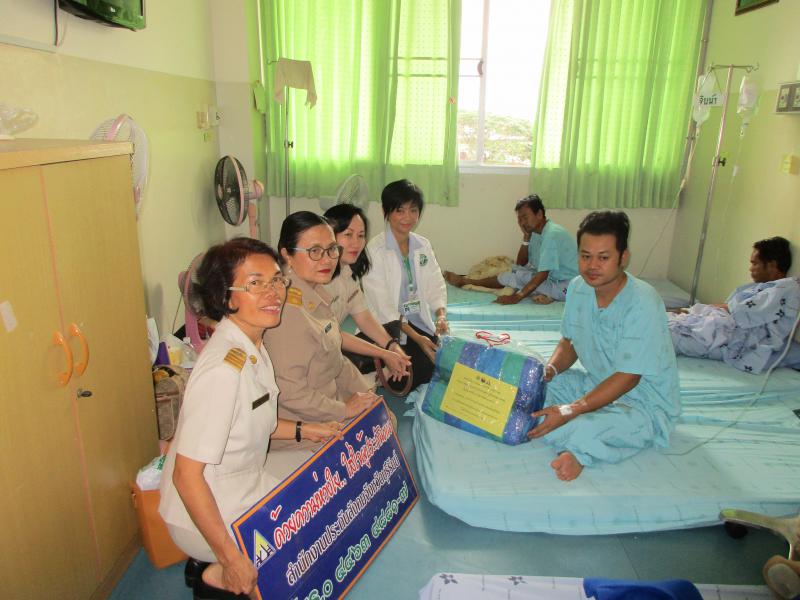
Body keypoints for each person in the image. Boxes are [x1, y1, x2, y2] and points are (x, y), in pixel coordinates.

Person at [158, 238, 342, 599]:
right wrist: (231, 558)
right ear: (226, 297)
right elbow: (186, 476)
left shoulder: (251, 344)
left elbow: (256, 422)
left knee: (322, 479)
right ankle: (217, 574)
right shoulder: (222, 371)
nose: (274, 293)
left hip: (242, 477)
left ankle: (218, 564)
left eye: (276, 280)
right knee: (305, 536)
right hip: (202, 506)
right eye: (255, 283)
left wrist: (308, 430)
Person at [528, 211, 680, 481]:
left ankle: (579, 451)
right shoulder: (578, 288)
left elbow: (629, 376)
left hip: (641, 403)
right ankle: (565, 426)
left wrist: (572, 409)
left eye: (603, 257)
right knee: (530, 390)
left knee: (584, 428)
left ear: (624, 257)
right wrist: (549, 370)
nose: (592, 266)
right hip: (596, 385)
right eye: (585, 256)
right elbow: (569, 342)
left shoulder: (643, 301)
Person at [263, 211, 380, 457]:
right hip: (305, 430)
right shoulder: (286, 313)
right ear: (287, 254)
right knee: (377, 446)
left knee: (385, 420)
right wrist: (343, 410)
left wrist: (368, 395)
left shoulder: (315, 296)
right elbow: (291, 393)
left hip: (328, 408)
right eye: (314, 251)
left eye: (331, 249)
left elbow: (337, 361)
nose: (327, 260)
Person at [361, 179, 449, 390]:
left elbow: (435, 283)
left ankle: (390, 368)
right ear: (385, 211)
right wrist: (418, 339)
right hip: (388, 328)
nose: (407, 217)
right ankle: (378, 371)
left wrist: (440, 316)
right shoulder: (374, 251)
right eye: (400, 210)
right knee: (408, 377)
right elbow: (384, 308)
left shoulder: (422, 245)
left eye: (413, 210)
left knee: (443, 359)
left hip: (418, 323)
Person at [669, 236, 799, 374]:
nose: (751, 269)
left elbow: (740, 312)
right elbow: (729, 308)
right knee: (666, 324)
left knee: (669, 336)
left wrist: (702, 310)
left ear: (772, 265)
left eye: (755, 264)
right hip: (722, 325)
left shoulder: (788, 289)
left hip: (731, 338)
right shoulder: (757, 288)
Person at [322, 203, 412, 384]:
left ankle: (372, 377)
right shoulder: (320, 277)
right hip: (317, 350)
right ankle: (369, 379)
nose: (356, 243)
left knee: (392, 330)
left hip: (333, 344)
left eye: (361, 235)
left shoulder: (348, 272)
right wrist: (384, 353)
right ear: (329, 236)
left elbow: (363, 317)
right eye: (348, 235)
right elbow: (331, 333)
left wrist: (392, 347)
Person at [444, 194, 578, 305]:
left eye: (525, 217)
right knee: (511, 273)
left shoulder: (551, 235)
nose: (522, 222)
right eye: (519, 219)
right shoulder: (536, 233)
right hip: (551, 279)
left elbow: (542, 275)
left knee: (519, 276)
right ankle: (466, 281)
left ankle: (548, 296)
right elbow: (521, 263)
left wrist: (516, 297)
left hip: (567, 286)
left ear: (539, 214)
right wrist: (526, 237)